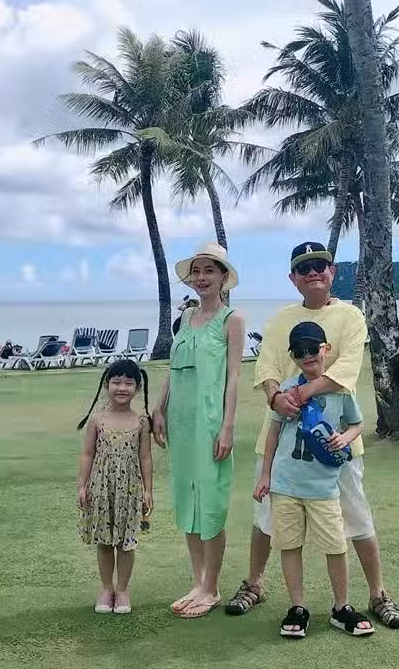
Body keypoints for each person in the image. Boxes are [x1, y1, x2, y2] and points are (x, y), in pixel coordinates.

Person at [224, 241, 399, 630]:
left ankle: (377, 594)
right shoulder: (280, 320)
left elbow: (346, 370)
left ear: (332, 272)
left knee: (357, 519)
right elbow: (267, 368)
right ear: (293, 278)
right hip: (282, 444)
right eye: (304, 268)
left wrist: (299, 393)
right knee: (266, 520)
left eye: (320, 265)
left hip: (337, 444)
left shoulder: (351, 316)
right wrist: (276, 397)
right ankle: (254, 584)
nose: (313, 272)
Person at [254, 321, 374, 638]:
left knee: (336, 546)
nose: (307, 356)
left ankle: (341, 607)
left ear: (326, 349)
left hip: (323, 486)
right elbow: (273, 434)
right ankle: (297, 607)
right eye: (299, 351)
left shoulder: (340, 390)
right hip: (285, 485)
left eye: (312, 349)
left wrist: (345, 438)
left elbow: (357, 424)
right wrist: (264, 476)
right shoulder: (286, 391)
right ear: (293, 356)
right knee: (289, 545)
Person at [151, 242, 245, 619]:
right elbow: (174, 370)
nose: (202, 277)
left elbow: (234, 377)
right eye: (197, 271)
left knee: (211, 503)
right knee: (187, 501)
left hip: (210, 422)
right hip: (181, 422)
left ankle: (212, 587)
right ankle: (198, 581)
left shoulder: (231, 320)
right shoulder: (187, 317)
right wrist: (159, 408)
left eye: (210, 270)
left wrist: (227, 426)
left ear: (223, 277)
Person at [77, 359, 153, 615]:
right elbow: (87, 454)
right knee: (103, 540)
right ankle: (106, 588)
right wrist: (82, 486)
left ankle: (122, 590)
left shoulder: (141, 421)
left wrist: (148, 490)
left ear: (137, 388)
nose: (122, 388)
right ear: (106, 385)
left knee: (125, 542)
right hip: (100, 488)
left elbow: (145, 457)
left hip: (129, 490)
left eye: (128, 383)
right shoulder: (97, 419)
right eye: (116, 382)